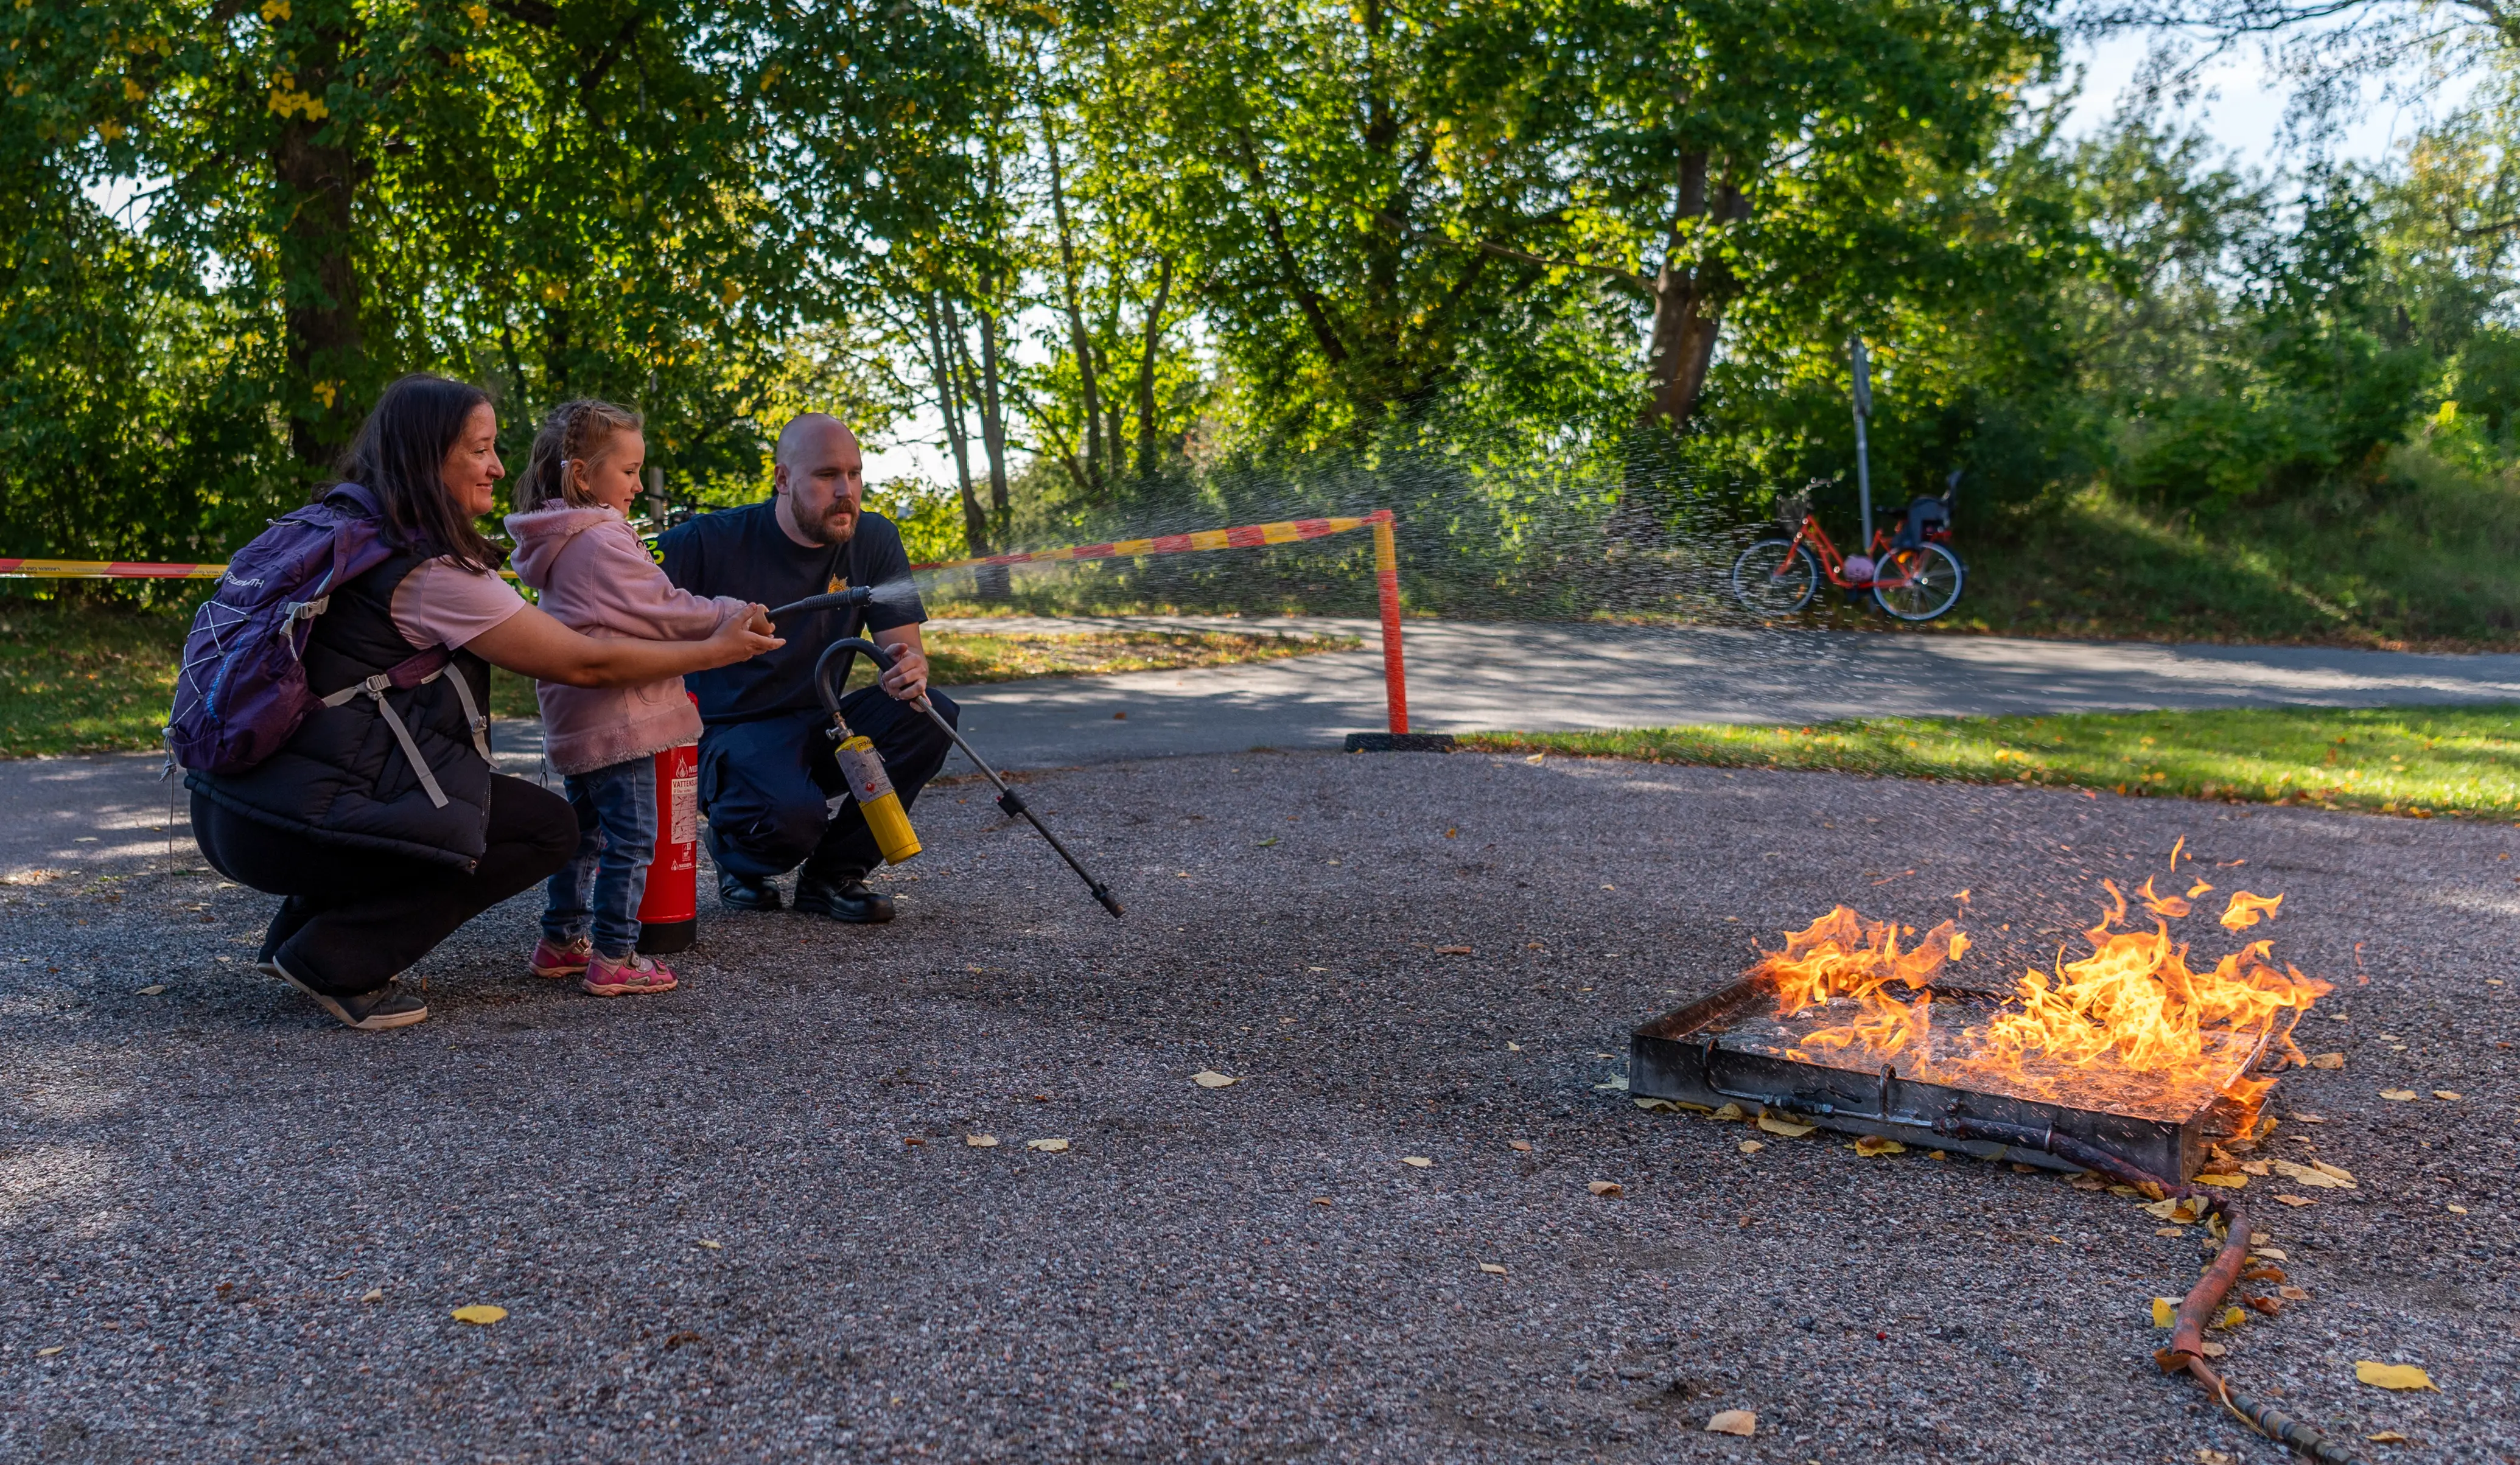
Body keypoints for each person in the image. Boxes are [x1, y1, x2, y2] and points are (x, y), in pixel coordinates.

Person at [187, 374, 780, 1030]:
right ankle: (339, 957)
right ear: (426, 455)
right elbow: (586, 661)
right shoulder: (428, 570)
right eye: (479, 450)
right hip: (291, 827)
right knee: (547, 830)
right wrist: (716, 648)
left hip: (232, 809)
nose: (499, 466)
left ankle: (298, 934)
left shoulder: (337, 526)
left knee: (395, 781)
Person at [658, 413, 956, 924]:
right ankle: (736, 853)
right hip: (730, 730)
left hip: (822, 719)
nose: (846, 491)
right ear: (783, 479)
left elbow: (904, 650)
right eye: (826, 476)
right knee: (790, 823)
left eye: (855, 474)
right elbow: (623, 606)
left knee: (929, 712)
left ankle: (833, 875)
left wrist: (910, 669)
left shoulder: (876, 539)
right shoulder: (706, 541)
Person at [506, 397, 758, 998]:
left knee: (585, 835)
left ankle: (562, 941)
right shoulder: (601, 541)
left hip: (576, 720)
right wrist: (734, 615)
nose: (638, 485)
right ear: (582, 475)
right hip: (622, 718)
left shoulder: (561, 542)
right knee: (633, 838)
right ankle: (616, 955)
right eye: (628, 471)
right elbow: (663, 608)